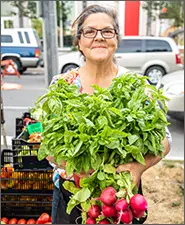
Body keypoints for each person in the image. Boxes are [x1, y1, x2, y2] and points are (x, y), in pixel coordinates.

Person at [46, 4, 172, 224]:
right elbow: (47, 145)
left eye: (107, 31)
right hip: (73, 198)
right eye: (89, 31)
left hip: (122, 203)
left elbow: (164, 140)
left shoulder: (136, 86)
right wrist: (76, 167)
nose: (99, 37)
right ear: (79, 42)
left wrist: (139, 167)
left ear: (116, 39)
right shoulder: (62, 85)